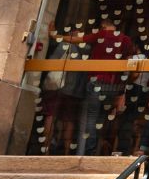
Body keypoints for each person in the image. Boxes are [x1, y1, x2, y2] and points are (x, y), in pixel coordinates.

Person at [53, 19, 137, 156]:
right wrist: (122, 91)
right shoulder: (125, 39)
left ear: (103, 26)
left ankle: (88, 152)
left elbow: (75, 39)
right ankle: (95, 150)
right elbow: (128, 64)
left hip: (97, 82)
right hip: (113, 86)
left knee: (90, 119)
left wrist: (55, 35)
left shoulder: (101, 35)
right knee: (101, 120)